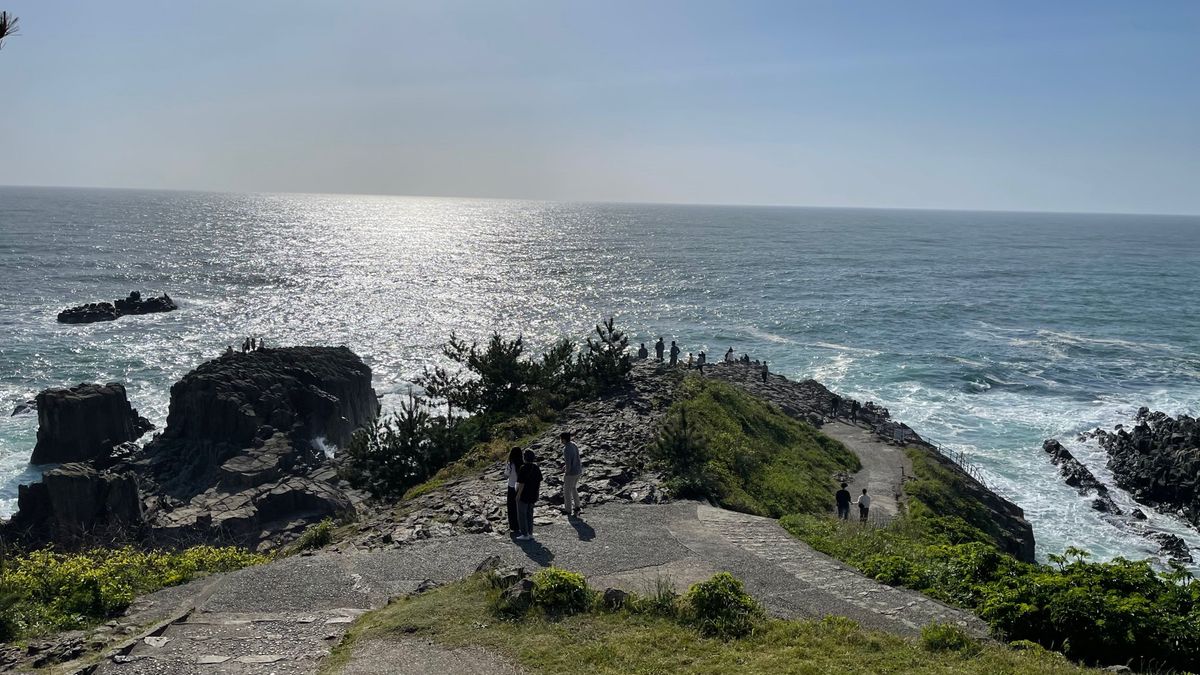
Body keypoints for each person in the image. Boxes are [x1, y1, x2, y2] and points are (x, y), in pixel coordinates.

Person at [515, 450, 543, 540]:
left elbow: (521, 483)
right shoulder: (536, 467)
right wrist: (537, 492)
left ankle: (524, 534)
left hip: (524, 494)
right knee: (530, 514)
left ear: (525, 458)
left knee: (522, 514)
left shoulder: (523, 468)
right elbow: (539, 482)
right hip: (533, 493)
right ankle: (530, 533)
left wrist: (518, 495)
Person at [561, 431, 582, 517]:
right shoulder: (574, 444)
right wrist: (565, 466)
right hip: (578, 470)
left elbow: (569, 463)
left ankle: (568, 510)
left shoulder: (566, 449)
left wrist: (566, 473)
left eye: (561, 439)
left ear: (564, 439)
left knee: (566, 491)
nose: (561, 440)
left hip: (571, 473)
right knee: (573, 488)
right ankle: (577, 506)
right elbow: (576, 458)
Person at [505, 447, 523, 534]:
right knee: (520, 506)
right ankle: (522, 524)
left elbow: (506, 474)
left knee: (511, 507)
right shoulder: (523, 464)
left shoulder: (510, 464)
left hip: (512, 486)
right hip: (521, 487)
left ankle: (514, 526)